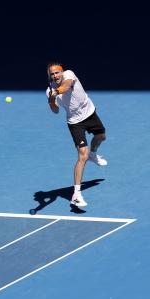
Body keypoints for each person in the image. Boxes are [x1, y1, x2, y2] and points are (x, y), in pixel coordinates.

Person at [46, 63, 107, 207]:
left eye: (57, 73)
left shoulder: (69, 74)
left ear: (62, 72)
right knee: (82, 156)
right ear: (50, 76)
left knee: (101, 137)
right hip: (75, 122)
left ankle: (93, 154)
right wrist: (51, 99)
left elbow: (66, 86)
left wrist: (57, 92)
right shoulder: (49, 90)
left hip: (89, 112)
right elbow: (55, 111)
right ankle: (76, 194)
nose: (55, 76)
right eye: (52, 74)